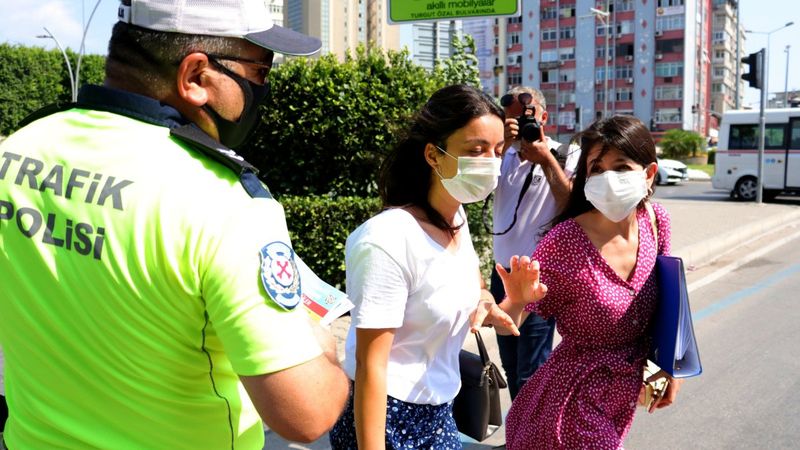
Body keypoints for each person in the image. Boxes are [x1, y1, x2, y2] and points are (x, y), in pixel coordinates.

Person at [0, 1, 349, 448]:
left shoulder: (21, 148)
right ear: (196, 77)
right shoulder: (227, 203)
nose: (264, 87)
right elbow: (306, 414)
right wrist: (322, 346)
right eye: (260, 72)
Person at [328, 84, 543, 450]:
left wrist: (513, 302)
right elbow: (370, 367)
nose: (490, 162)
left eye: (496, 150)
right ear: (433, 154)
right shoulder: (387, 239)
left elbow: (478, 298)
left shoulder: (456, 217)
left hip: (439, 412)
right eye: (475, 150)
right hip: (386, 418)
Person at [498, 115, 683, 449]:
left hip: (621, 400)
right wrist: (518, 299)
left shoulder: (656, 222)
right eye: (597, 168)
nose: (608, 178)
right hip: (569, 407)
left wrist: (666, 372)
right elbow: (508, 323)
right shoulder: (565, 240)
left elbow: (668, 312)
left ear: (649, 173)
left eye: (622, 167)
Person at [490, 86, 580, 399]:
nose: (520, 125)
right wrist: (502, 145)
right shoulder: (500, 155)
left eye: (526, 118)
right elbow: (475, 195)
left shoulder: (566, 154)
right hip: (502, 274)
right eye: (512, 119)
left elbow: (571, 203)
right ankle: (520, 436)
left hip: (539, 278)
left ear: (543, 116)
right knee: (511, 364)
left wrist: (545, 160)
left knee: (533, 368)